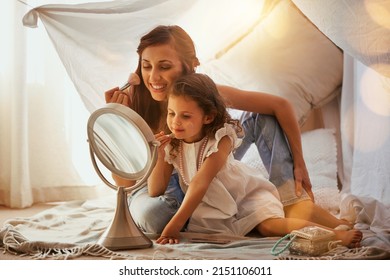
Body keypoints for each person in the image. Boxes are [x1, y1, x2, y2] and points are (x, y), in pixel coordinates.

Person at [105, 25, 352, 234]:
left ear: (189, 66)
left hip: (205, 164)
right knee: (156, 217)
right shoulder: (132, 102)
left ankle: (290, 199)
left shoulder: (204, 93)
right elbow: (125, 183)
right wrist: (116, 123)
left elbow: (279, 104)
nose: (154, 77)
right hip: (158, 189)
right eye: (146, 66)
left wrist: (299, 163)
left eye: (164, 66)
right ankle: (204, 216)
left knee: (260, 116)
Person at [149, 73, 362, 247]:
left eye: (185, 116)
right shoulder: (173, 146)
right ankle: (338, 225)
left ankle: (335, 234)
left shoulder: (220, 139)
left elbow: (200, 182)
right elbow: (155, 190)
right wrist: (159, 158)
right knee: (254, 229)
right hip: (217, 209)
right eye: (171, 113)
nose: (175, 122)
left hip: (245, 197)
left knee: (269, 227)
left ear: (208, 117)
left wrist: (173, 226)